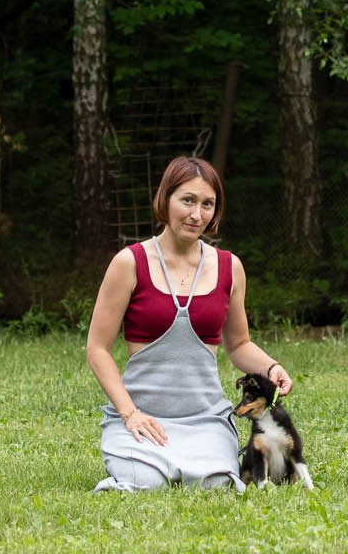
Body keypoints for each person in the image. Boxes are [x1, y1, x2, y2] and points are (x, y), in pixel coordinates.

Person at [86, 156, 292, 491]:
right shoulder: (130, 263)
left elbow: (238, 345)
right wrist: (130, 414)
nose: (197, 214)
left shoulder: (229, 267)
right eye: (188, 201)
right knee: (146, 482)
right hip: (143, 418)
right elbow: (97, 349)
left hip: (205, 420)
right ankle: (131, 462)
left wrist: (272, 368)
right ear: (164, 199)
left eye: (207, 204)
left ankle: (206, 458)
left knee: (214, 485)